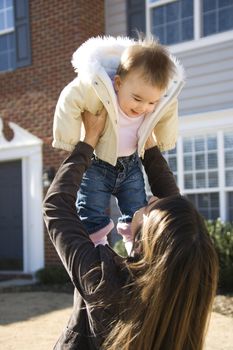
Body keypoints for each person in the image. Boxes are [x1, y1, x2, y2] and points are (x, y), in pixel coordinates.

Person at [43, 109, 218, 350]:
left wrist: (88, 141)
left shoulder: (103, 279)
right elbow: (174, 235)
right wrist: (147, 143)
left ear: (141, 243)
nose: (154, 198)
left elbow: (56, 207)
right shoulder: (185, 297)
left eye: (154, 207)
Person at [52, 35, 184, 252]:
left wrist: (165, 139)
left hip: (131, 166)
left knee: (137, 212)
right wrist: (68, 139)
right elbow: (70, 97)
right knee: (91, 212)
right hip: (97, 165)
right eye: (137, 99)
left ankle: (137, 250)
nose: (143, 107)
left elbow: (169, 110)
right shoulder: (100, 90)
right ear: (118, 83)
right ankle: (97, 251)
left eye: (152, 102)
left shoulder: (156, 103)